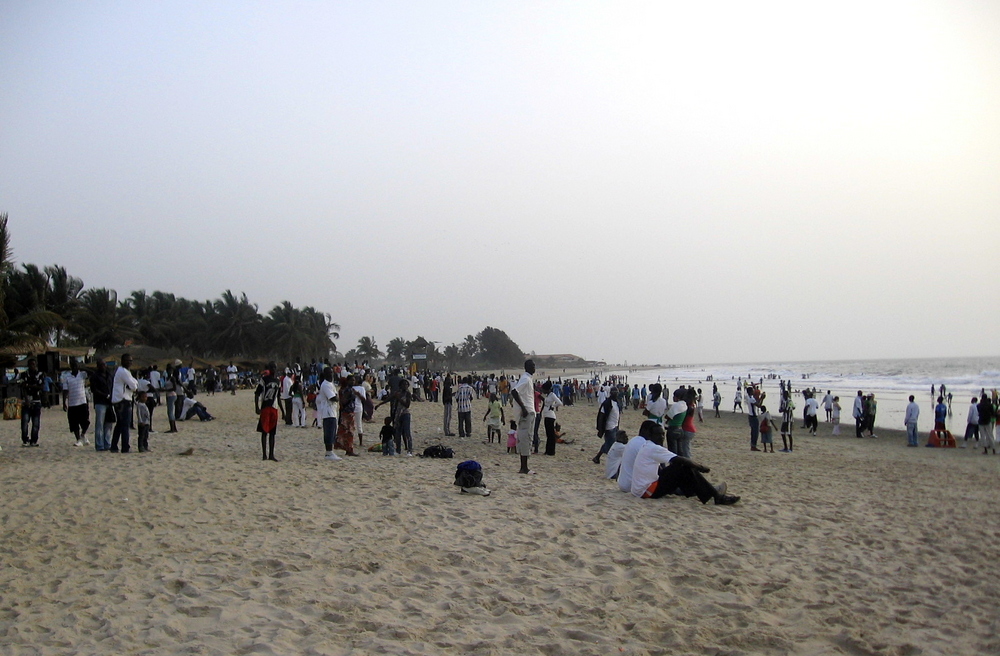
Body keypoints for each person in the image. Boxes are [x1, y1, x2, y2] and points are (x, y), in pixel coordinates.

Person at [629, 422, 740, 505]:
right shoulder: (653, 448)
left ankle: (703, 492)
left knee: (681, 469)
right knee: (682, 466)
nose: (662, 437)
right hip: (646, 491)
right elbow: (680, 459)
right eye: (658, 435)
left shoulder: (647, 445)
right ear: (651, 435)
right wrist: (701, 467)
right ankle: (716, 496)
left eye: (663, 434)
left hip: (640, 489)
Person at [510, 359, 537, 474]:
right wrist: (523, 408)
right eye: (533, 365)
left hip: (530, 411)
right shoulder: (525, 379)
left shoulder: (528, 379)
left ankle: (525, 467)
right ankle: (524, 468)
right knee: (525, 438)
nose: (535, 367)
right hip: (527, 412)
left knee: (528, 438)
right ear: (527, 367)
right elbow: (514, 392)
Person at [110, 354, 138, 453]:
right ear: (122, 361)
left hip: (119, 400)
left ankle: (114, 446)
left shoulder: (123, 371)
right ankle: (125, 447)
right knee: (125, 425)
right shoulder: (123, 372)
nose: (130, 362)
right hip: (123, 401)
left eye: (131, 360)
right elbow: (134, 386)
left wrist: (132, 385)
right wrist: (132, 386)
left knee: (120, 424)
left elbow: (134, 382)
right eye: (128, 361)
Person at [61, 357, 90, 447]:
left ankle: (83, 435)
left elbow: (92, 372)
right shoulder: (67, 377)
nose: (75, 367)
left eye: (76, 365)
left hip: (82, 401)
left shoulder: (82, 375)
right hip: (72, 403)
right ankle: (78, 439)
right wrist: (64, 402)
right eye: (73, 365)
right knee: (74, 423)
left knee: (86, 422)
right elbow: (65, 390)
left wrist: (83, 367)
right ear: (71, 366)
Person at [254, 363, 281, 462]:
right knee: (264, 431)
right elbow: (257, 393)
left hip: (274, 408)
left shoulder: (278, 381)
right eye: (272, 368)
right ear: (269, 369)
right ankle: (264, 454)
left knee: (272, 432)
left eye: (275, 367)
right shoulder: (264, 380)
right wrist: (256, 407)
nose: (274, 369)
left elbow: (278, 396)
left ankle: (271, 454)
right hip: (265, 407)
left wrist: (282, 411)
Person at [17, 358, 45, 446]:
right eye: (30, 364)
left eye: (34, 364)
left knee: (36, 422)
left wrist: (29, 385)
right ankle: (25, 440)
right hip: (26, 401)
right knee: (25, 422)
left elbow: (41, 386)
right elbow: (22, 387)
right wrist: (27, 397)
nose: (32, 366)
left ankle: (34, 440)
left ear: (36, 365)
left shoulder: (40, 374)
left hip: (36, 400)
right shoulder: (23, 375)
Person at [317, 367, 342, 460]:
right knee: (329, 432)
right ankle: (329, 453)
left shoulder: (330, 384)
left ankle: (330, 452)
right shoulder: (325, 385)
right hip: (328, 411)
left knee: (332, 431)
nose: (331, 375)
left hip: (332, 410)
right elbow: (333, 397)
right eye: (329, 373)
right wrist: (337, 397)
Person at [592, 387, 621, 464]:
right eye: (614, 392)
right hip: (609, 427)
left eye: (616, 392)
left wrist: (618, 426)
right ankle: (610, 461)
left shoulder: (617, 402)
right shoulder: (607, 403)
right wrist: (600, 429)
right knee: (611, 445)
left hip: (615, 426)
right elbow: (601, 416)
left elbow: (617, 415)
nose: (615, 394)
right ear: (611, 393)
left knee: (608, 443)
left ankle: (597, 457)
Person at [90, 359, 113, 452]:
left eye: (104, 364)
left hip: (109, 402)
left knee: (109, 424)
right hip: (100, 402)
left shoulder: (109, 375)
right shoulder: (95, 376)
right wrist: (105, 395)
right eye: (101, 365)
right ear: (98, 366)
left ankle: (107, 443)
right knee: (99, 424)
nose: (103, 366)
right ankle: (99, 445)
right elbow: (94, 390)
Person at [541, 381, 563, 456]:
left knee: (550, 435)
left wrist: (553, 406)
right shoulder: (547, 395)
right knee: (548, 434)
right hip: (546, 415)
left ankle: (551, 451)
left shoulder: (552, 395)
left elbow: (559, 402)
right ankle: (547, 450)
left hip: (550, 416)